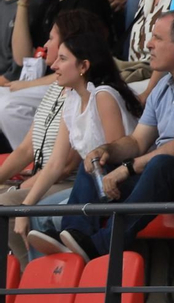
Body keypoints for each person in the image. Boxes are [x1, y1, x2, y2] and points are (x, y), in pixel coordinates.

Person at [30, 10, 174, 260]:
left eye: (157, 38)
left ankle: (104, 245)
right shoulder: (164, 87)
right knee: (96, 161)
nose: (148, 44)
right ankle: (74, 233)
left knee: (163, 164)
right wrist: (107, 151)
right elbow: (137, 142)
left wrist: (127, 168)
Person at [9, 29, 137, 260]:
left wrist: (27, 208)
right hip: (91, 185)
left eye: (63, 59)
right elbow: (55, 164)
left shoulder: (103, 96)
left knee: (43, 217)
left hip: (114, 186)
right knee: (32, 214)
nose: (54, 65)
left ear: (83, 66)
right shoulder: (71, 99)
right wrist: (24, 207)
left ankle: (63, 278)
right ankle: (45, 282)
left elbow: (117, 156)